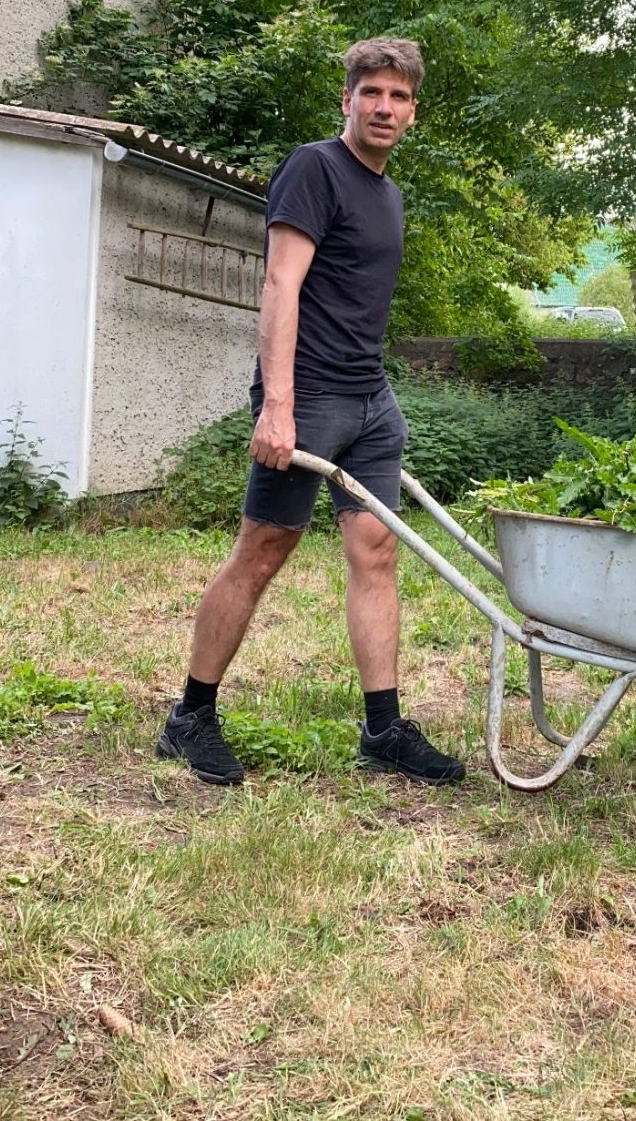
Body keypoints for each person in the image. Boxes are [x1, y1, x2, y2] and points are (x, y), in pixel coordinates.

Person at [155, 38, 465, 787]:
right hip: (309, 397)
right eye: (371, 92)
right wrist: (279, 406)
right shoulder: (314, 168)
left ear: (413, 111)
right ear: (348, 100)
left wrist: (370, 400)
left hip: (368, 399)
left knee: (377, 552)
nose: (384, 107)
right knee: (262, 550)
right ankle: (190, 714)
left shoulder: (388, 193)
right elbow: (280, 285)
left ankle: (383, 728)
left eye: (398, 96)